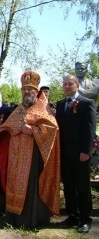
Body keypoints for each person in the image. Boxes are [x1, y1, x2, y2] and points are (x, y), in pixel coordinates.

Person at [0, 71, 60, 228]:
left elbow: (53, 129)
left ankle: (30, 219)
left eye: (30, 89)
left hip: (34, 157)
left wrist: (33, 131)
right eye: (24, 89)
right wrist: (11, 130)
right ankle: (13, 218)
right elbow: (5, 127)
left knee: (31, 187)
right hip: (15, 157)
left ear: (36, 91)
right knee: (14, 185)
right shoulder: (18, 109)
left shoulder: (43, 108)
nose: (26, 92)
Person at [55, 75, 96, 233]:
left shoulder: (87, 103)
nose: (66, 86)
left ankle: (86, 219)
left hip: (81, 154)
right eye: (64, 84)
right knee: (69, 186)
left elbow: (90, 129)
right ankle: (73, 216)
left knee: (83, 187)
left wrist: (85, 151)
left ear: (77, 85)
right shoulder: (60, 104)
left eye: (70, 84)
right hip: (65, 154)